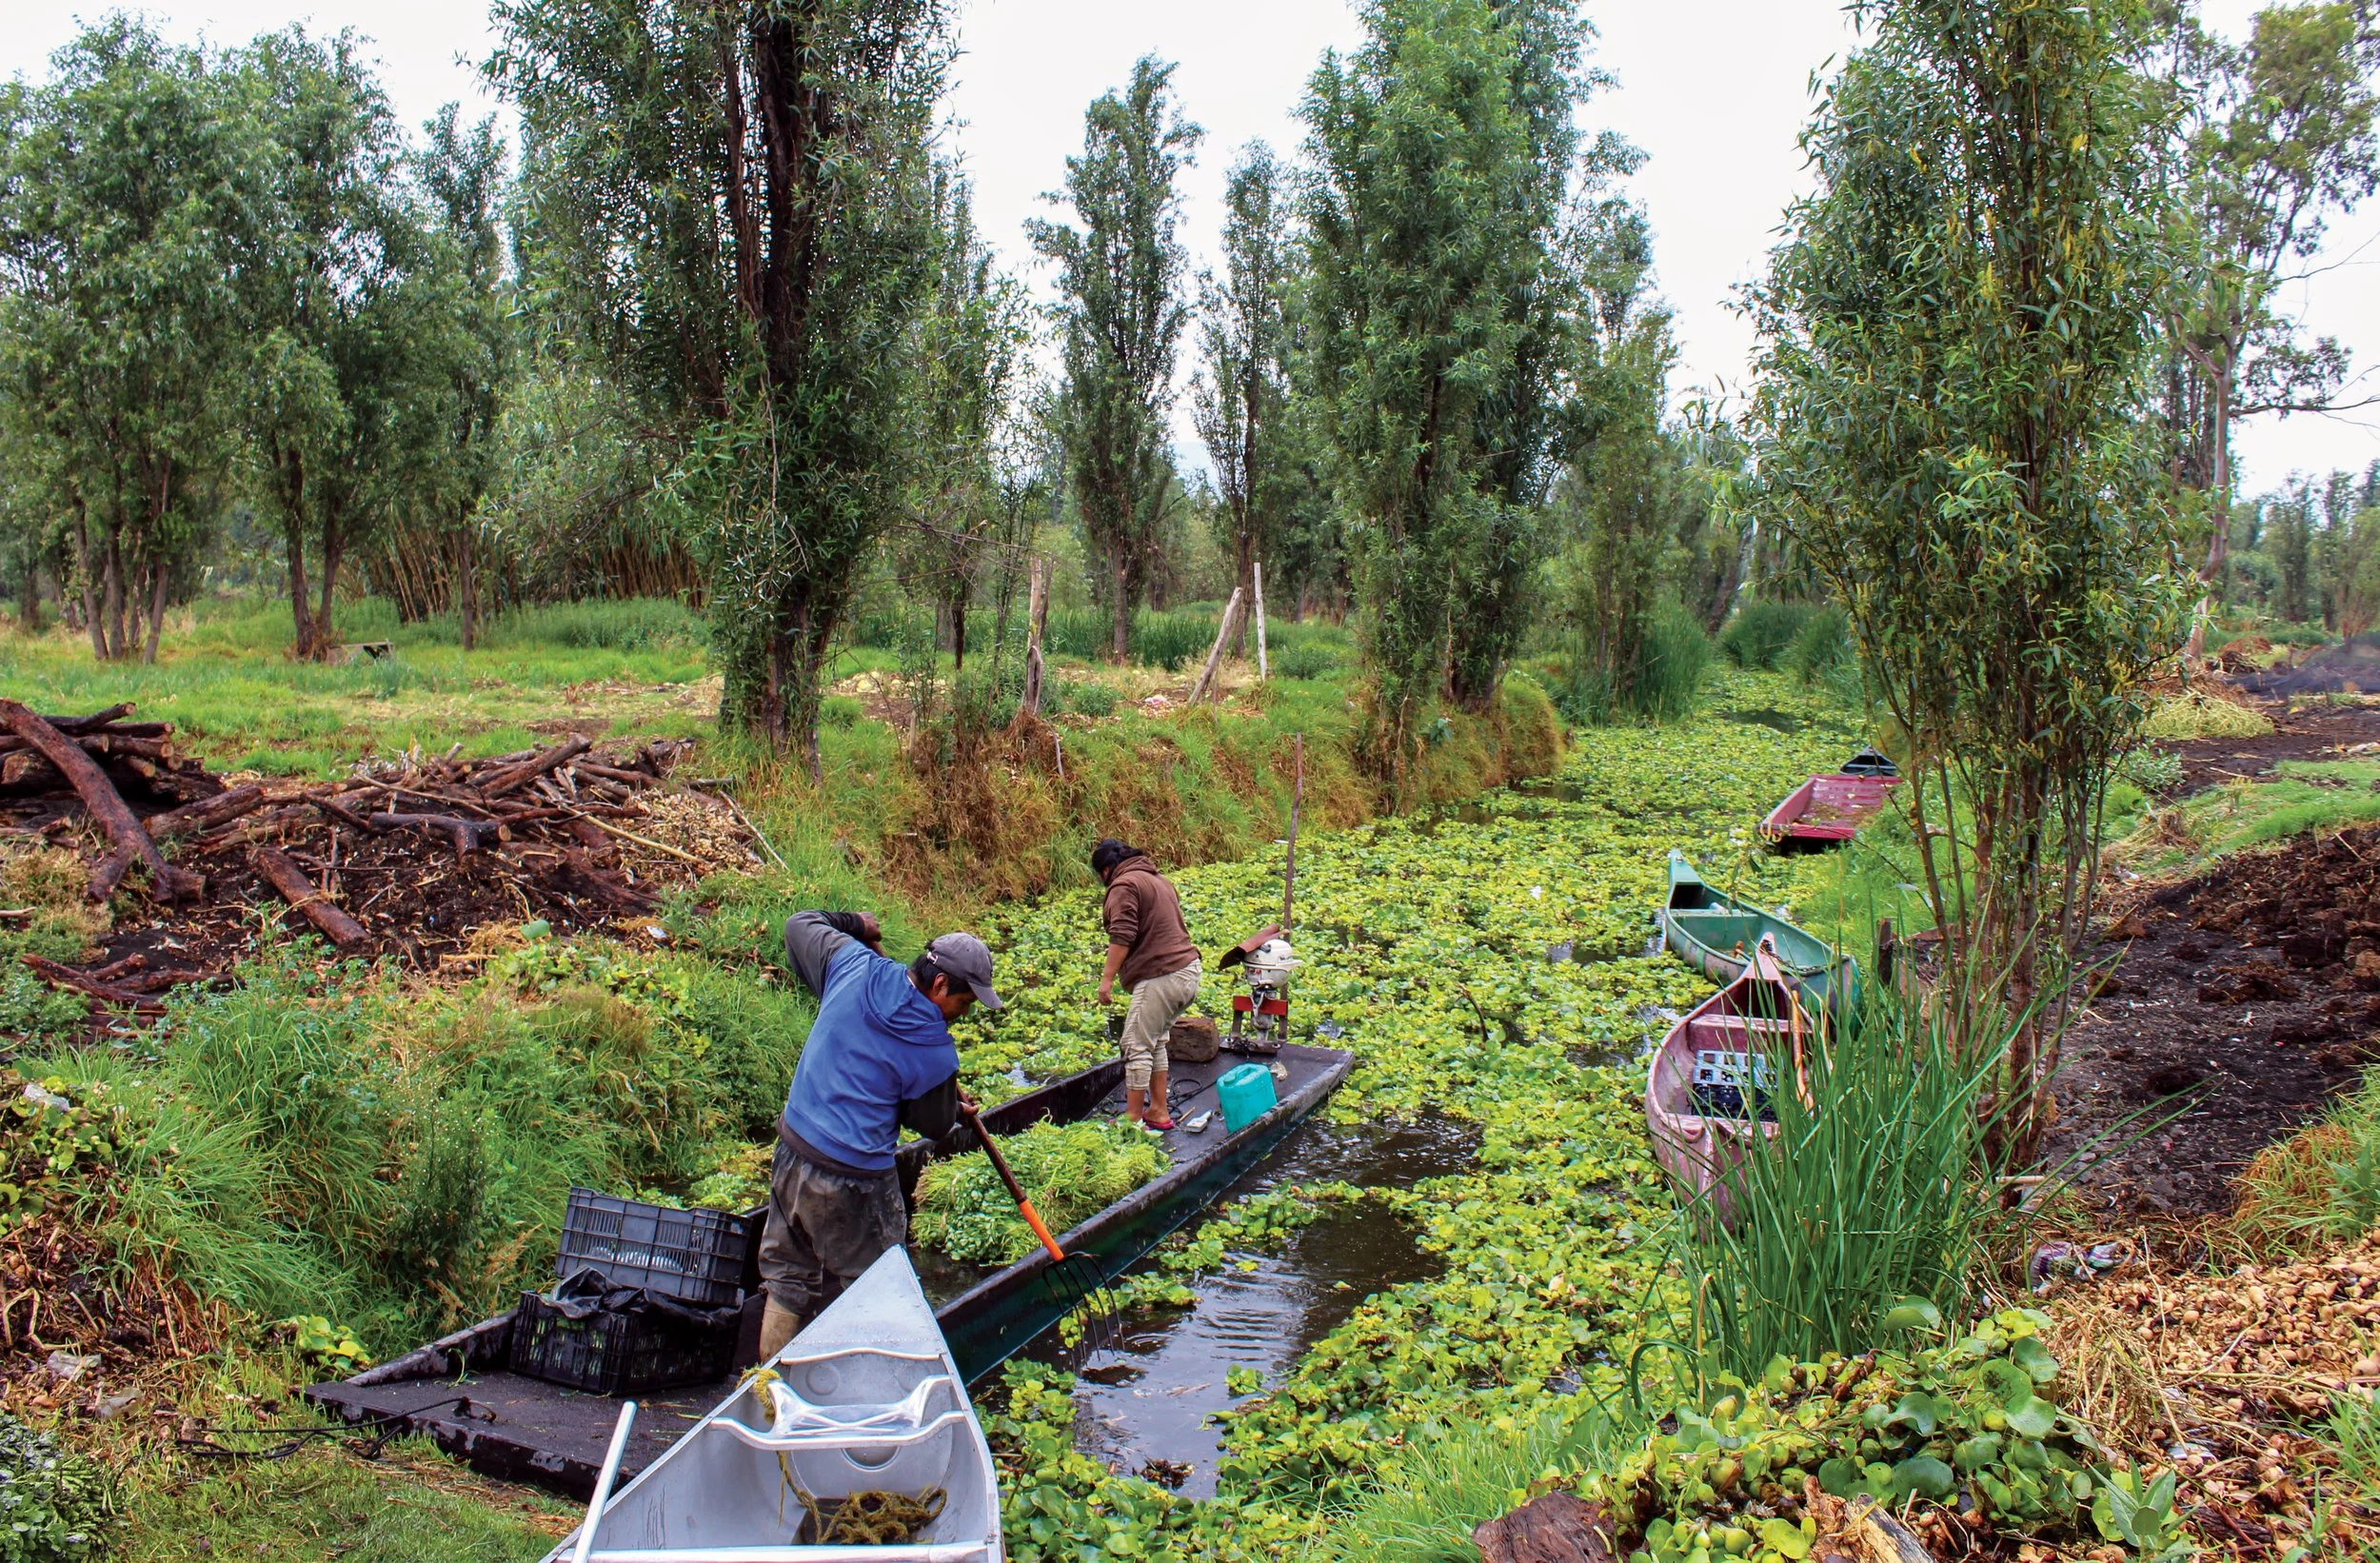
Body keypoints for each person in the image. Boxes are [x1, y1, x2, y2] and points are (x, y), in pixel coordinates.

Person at [757, 910, 1002, 1357]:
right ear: (940, 985)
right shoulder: (934, 1051)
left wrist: (855, 926)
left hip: (793, 1148)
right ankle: (867, 1396)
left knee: (787, 1281)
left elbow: (797, 924)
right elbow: (930, 1125)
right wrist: (950, 1105)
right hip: (854, 1179)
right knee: (877, 1291)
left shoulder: (854, 964)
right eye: (964, 1003)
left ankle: (771, 1398)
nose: (962, 1016)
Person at [1091, 838, 1200, 1132]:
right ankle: (1158, 1110)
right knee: (1156, 1041)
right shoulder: (1158, 879)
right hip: (1188, 972)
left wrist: (1107, 980)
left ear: (1106, 869)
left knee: (1135, 1045)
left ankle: (1133, 1117)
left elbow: (1122, 934)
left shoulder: (1124, 885)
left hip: (1162, 976)